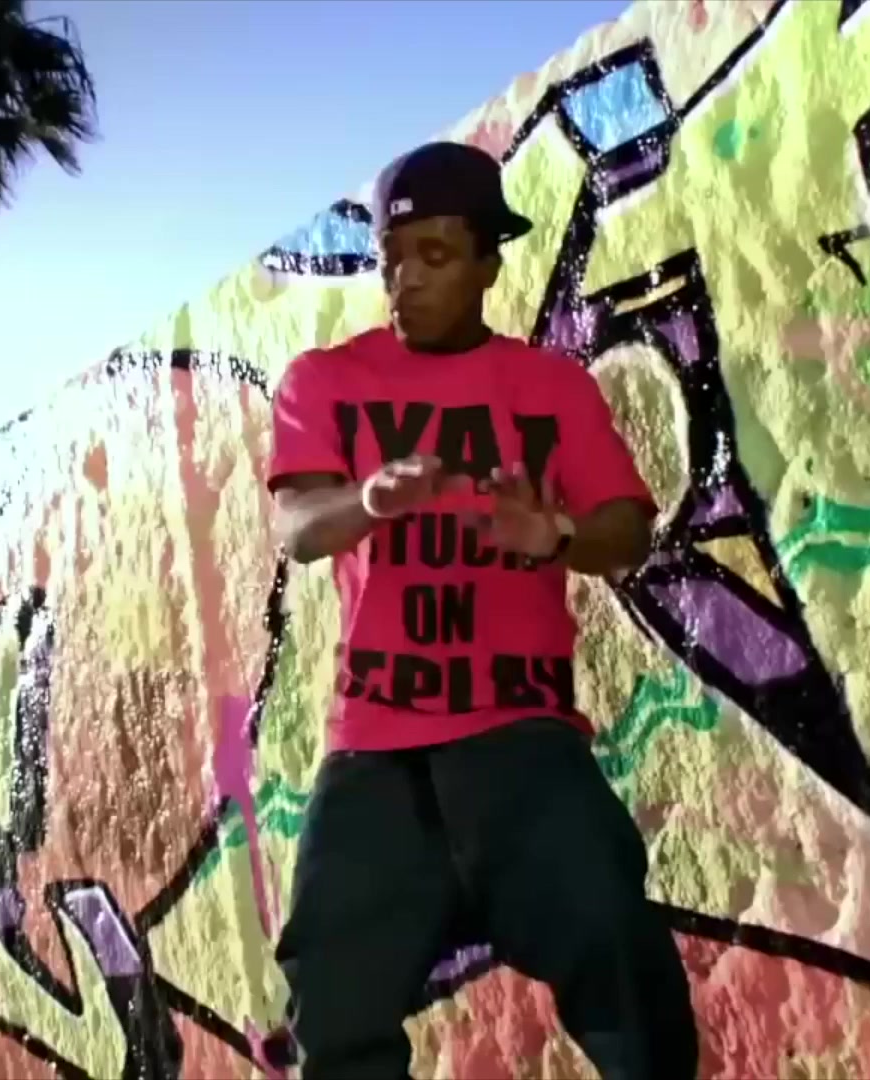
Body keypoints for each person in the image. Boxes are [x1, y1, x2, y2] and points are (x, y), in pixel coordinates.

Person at [265, 141, 698, 1079]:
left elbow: (626, 530)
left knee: (625, 968)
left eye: (436, 254)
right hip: (376, 748)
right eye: (392, 257)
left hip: (524, 739)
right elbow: (296, 527)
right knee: (330, 1011)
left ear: (489, 264)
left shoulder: (550, 387)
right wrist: (369, 500)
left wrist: (557, 536)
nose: (407, 279)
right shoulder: (325, 381)